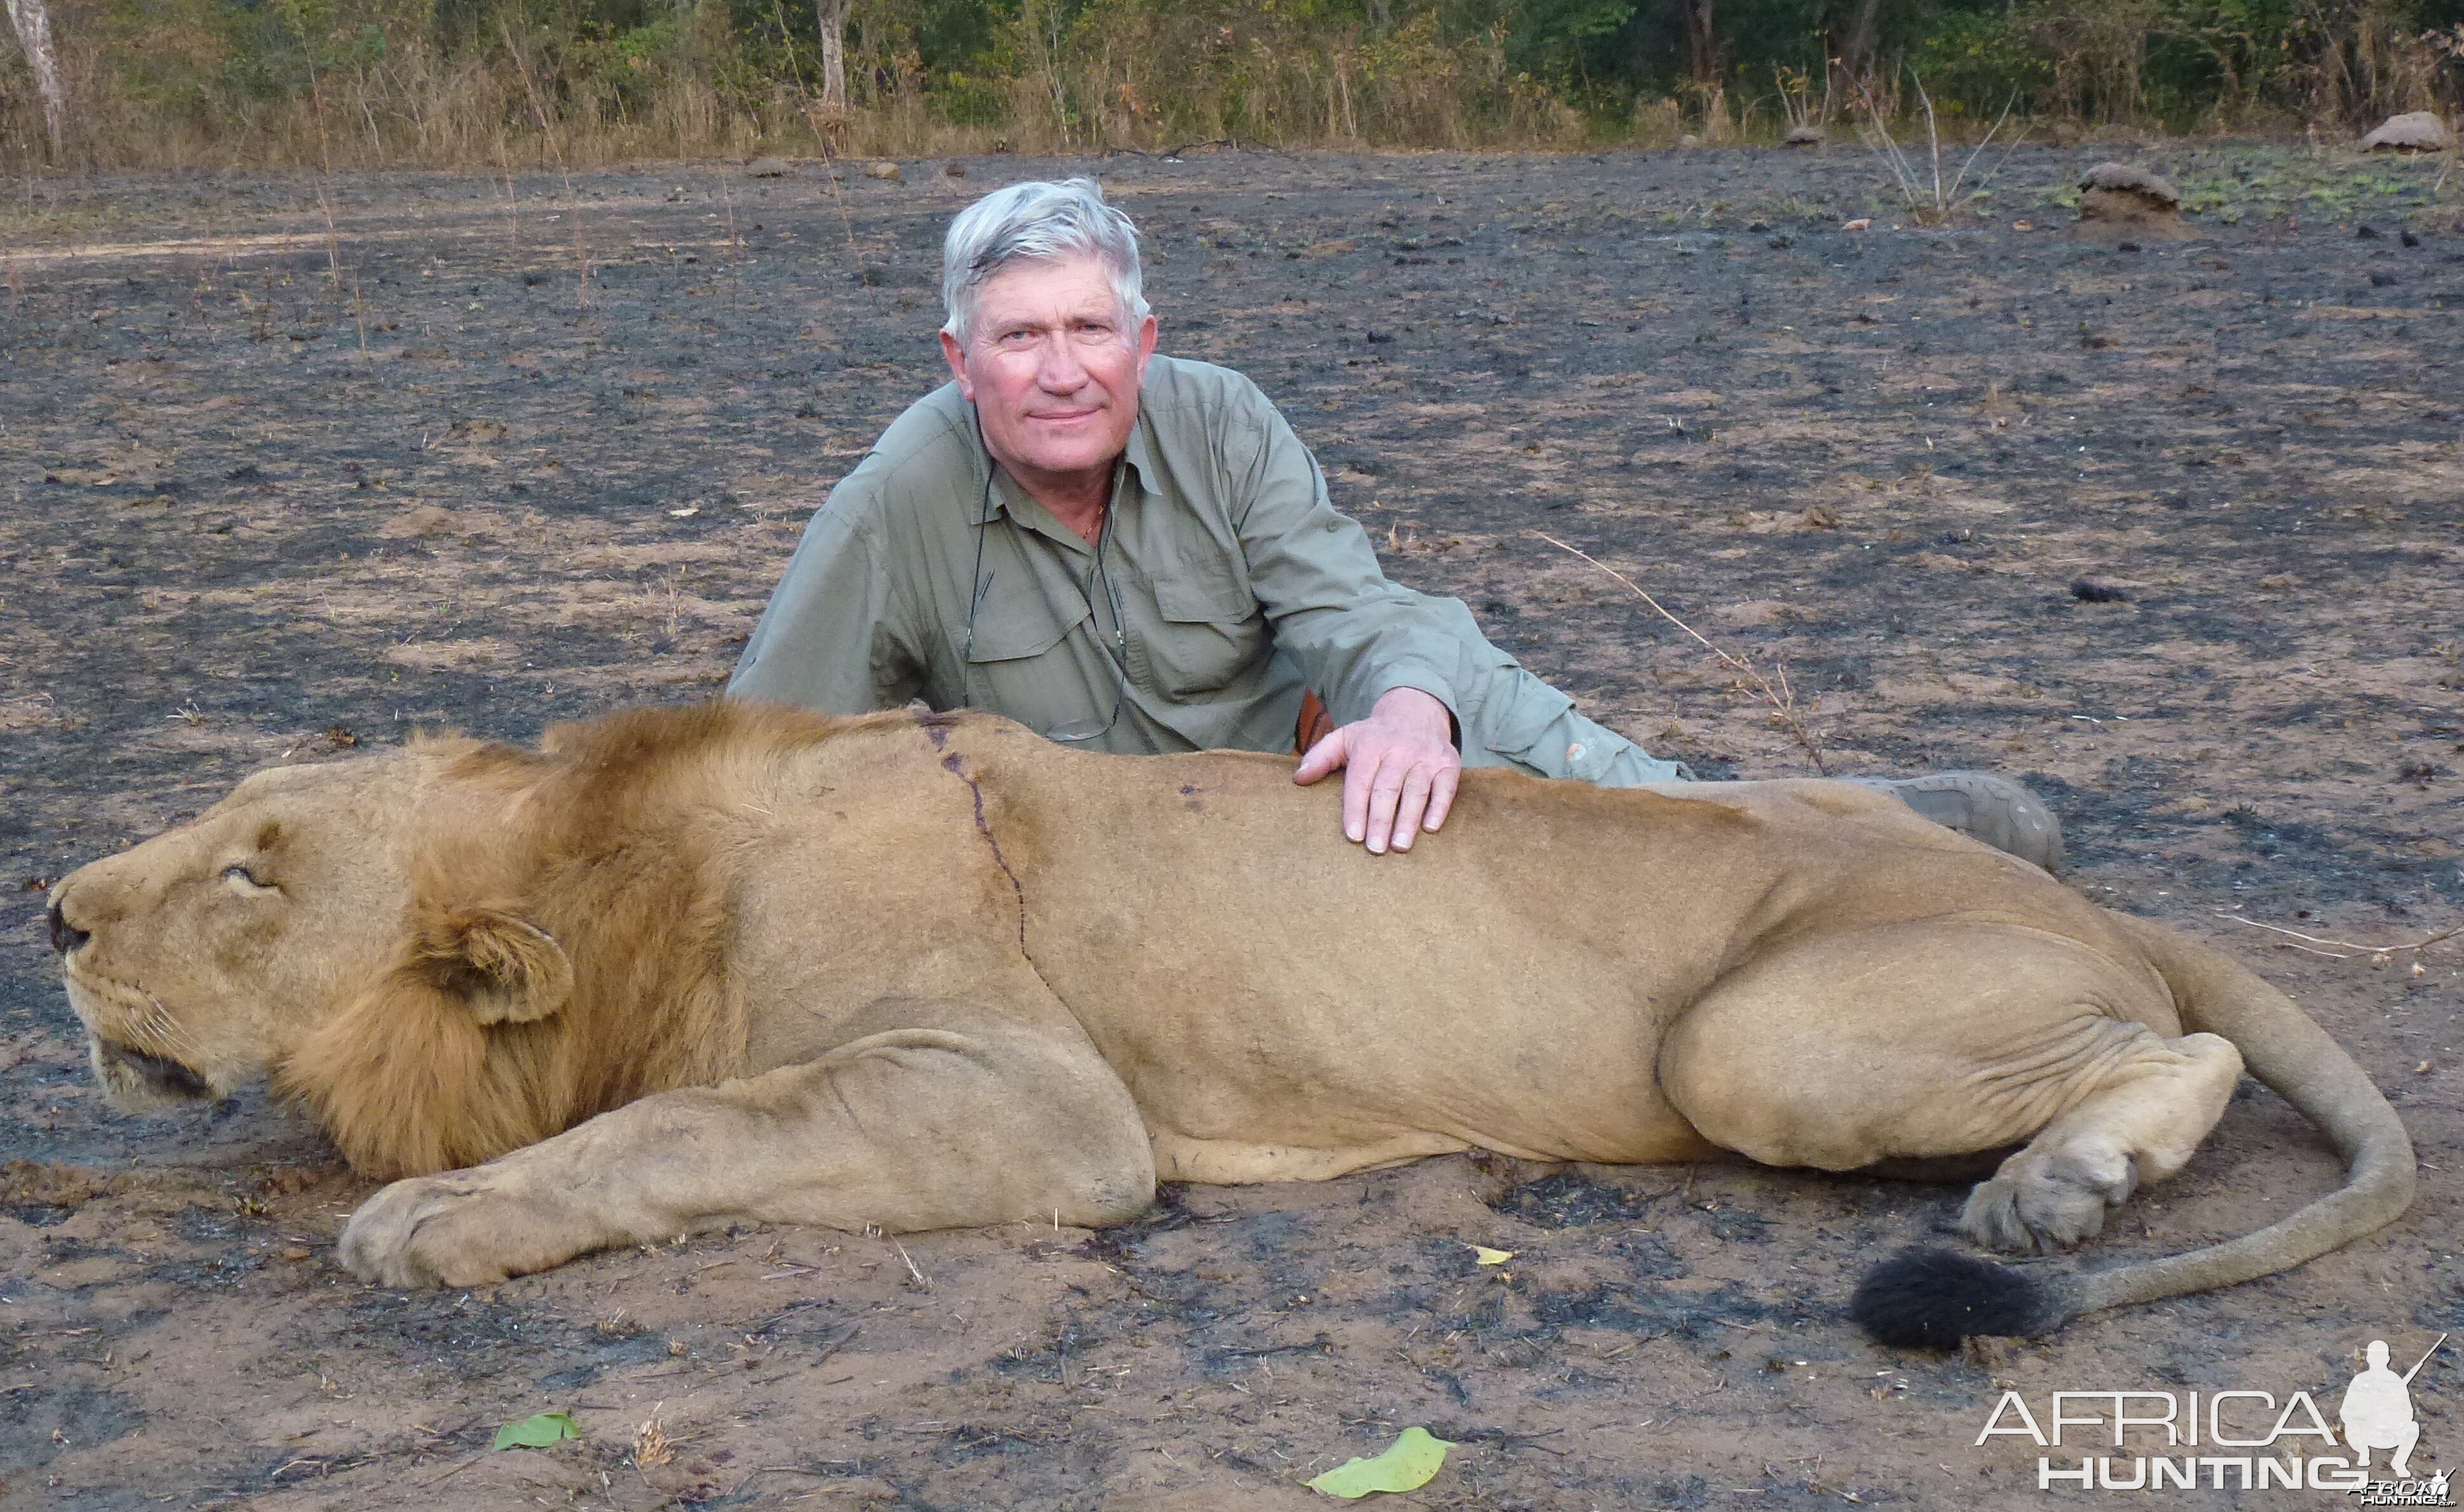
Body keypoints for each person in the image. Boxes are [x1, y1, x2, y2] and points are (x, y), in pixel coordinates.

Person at [730, 177, 2061, 869]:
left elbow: (1355, 618)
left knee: (1446, 667)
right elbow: (758, 755)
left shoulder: (1223, 419)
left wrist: (1410, 708)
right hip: (1091, 876)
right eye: (1018, 338)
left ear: (1145, 340)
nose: (1060, 370)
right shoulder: (895, 498)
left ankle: (1768, 830)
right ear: (959, 363)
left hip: (1296, 799)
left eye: (1089, 328)